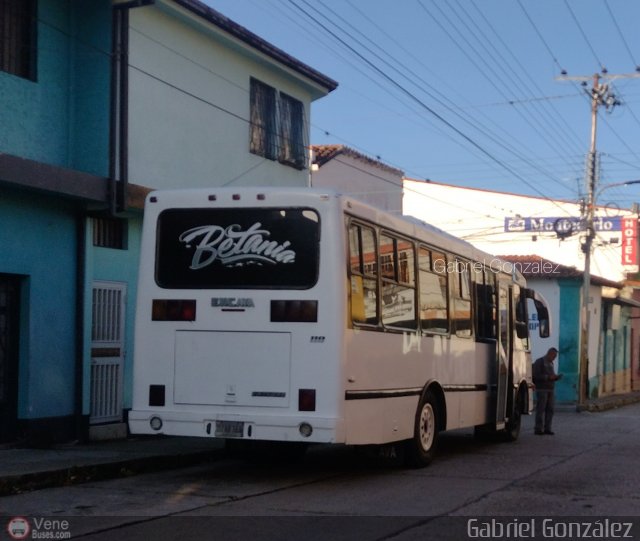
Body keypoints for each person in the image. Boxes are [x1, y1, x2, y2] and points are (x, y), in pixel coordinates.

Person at [532, 347, 562, 435]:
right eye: (554, 356)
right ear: (549, 353)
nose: (555, 358)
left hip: (550, 389)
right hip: (542, 389)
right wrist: (548, 377)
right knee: (541, 409)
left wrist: (556, 377)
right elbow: (536, 376)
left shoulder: (551, 363)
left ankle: (547, 428)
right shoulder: (539, 362)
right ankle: (538, 429)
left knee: (550, 409)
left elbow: (551, 376)